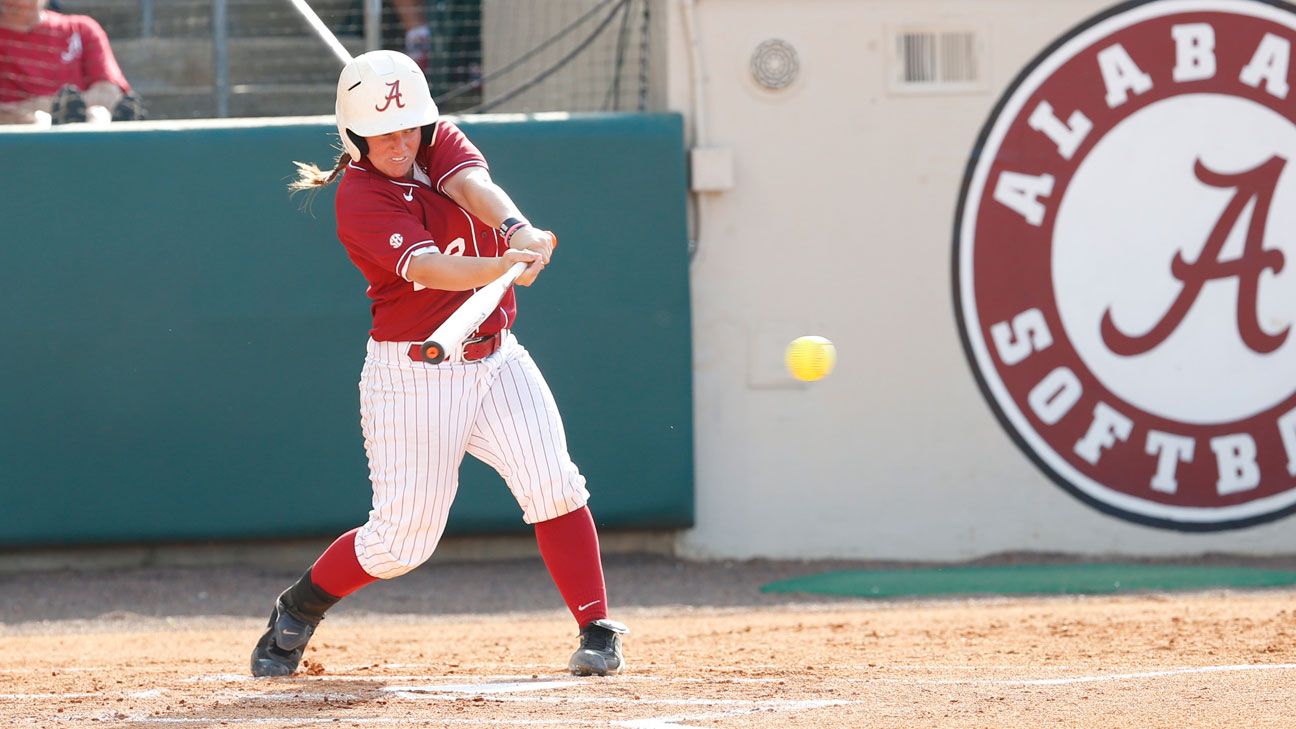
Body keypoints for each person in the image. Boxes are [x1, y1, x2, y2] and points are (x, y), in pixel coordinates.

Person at [249, 49, 627, 679]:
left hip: (495, 355)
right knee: (402, 541)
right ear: (354, 134)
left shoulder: (434, 139)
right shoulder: (360, 198)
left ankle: (595, 626)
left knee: (553, 481)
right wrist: (507, 265)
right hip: (413, 373)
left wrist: (517, 229)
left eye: (408, 128)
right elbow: (428, 269)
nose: (400, 142)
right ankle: (300, 604)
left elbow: (469, 185)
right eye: (383, 132)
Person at [0, 0, 144, 125]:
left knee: (99, 115)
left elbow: (111, 94)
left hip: (82, 143)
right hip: (14, 147)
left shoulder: (81, 29)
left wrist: (46, 107)